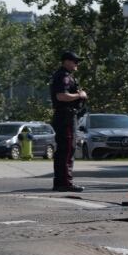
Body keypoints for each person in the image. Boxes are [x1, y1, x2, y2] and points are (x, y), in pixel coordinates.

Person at [50, 52, 87, 192]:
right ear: (66, 61)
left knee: (65, 149)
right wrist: (79, 95)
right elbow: (61, 96)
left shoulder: (63, 76)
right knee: (67, 149)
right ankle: (65, 182)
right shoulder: (63, 76)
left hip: (65, 115)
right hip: (66, 116)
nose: (77, 64)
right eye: (74, 61)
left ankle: (60, 181)